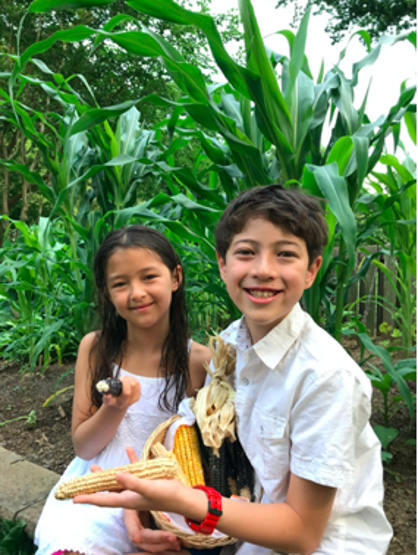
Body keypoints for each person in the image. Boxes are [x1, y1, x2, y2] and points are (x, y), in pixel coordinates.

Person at [74, 185, 393, 554]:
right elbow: (204, 438)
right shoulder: (229, 346)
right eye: (246, 252)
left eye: (286, 254)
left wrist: (189, 504)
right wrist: (145, 504)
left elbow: (303, 534)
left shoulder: (325, 377)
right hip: (247, 530)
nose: (263, 270)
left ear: (312, 270)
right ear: (223, 265)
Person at [34, 224, 212, 555]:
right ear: (106, 292)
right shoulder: (97, 348)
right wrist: (114, 408)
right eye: (120, 283)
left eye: (148, 277)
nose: (136, 293)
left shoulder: (200, 361)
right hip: (99, 483)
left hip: (164, 494)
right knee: (77, 543)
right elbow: (85, 447)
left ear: (175, 278)